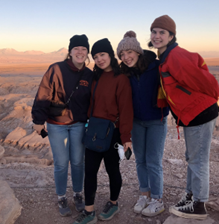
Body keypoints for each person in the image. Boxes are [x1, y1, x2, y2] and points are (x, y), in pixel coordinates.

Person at [149, 15, 219, 220]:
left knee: (198, 160)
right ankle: (191, 196)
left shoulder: (175, 56)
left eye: (162, 32)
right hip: (192, 114)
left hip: (199, 113)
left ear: (172, 35)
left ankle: (199, 204)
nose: (157, 36)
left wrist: (214, 97)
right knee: (192, 158)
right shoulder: (165, 57)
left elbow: (206, 81)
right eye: (154, 32)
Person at [31, 34, 93, 216]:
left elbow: (94, 99)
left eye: (83, 49)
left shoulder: (89, 75)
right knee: (60, 163)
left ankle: (77, 194)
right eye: (77, 49)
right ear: (70, 51)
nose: (80, 52)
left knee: (77, 162)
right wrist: (37, 120)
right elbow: (43, 93)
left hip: (79, 124)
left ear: (87, 52)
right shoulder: (56, 69)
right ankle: (61, 196)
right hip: (56, 124)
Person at [73, 38, 134, 224]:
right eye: (96, 56)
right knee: (90, 171)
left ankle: (113, 203)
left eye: (102, 55)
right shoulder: (94, 77)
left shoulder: (121, 79)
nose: (99, 59)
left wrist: (126, 138)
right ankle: (89, 212)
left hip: (112, 132)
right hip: (93, 130)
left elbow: (126, 110)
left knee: (112, 170)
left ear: (110, 55)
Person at [116, 31, 169, 217]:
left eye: (128, 52)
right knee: (140, 161)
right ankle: (144, 194)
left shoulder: (155, 66)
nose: (125, 57)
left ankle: (157, 199)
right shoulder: (125, 73)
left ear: (137, 51)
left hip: (156, 120)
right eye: (121, 55)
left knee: (153, 161)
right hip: (137, 122)